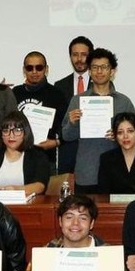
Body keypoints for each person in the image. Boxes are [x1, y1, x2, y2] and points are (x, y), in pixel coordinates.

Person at [61, 48, 135, 193]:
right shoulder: (78, 100)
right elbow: (66, 136)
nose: (99, 71)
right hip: (86, 171)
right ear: (89, 71)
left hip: (117, 171)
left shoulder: (124, 102)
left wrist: (120, 136)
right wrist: (72, 122)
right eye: (95, 67)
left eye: (104, 67)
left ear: (112, 71)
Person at [12, 50, 66, 162]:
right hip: (17, 156)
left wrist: (56, 142)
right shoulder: (15, 93)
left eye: (39, 67)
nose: (34, 71)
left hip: (45, 158)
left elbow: (66, 126)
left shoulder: (57, 94)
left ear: (46, 69)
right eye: (29, 68)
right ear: (24, 70)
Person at [52, 35, 93, 175]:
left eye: (84, 55)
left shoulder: (101, 84)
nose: (79, 59)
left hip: (93, 149)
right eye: (75, 55)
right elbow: (57, 120)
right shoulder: (59, 86)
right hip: (68, 149)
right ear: (70, 57)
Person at [0, 111, 51, 197]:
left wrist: (15, 190)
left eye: (17, 130)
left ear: (25, 133)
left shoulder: (37, 156)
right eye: (6, 131)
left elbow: (40, 186)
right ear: (1, 135)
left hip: (27, 207)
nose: (11, 136)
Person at [97, 111, 135, 195]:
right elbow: (103, 193)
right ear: (115, 136)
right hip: (115, 207)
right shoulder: (106, 158)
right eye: (120, 132)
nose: (125, 136)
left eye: (130, 131)